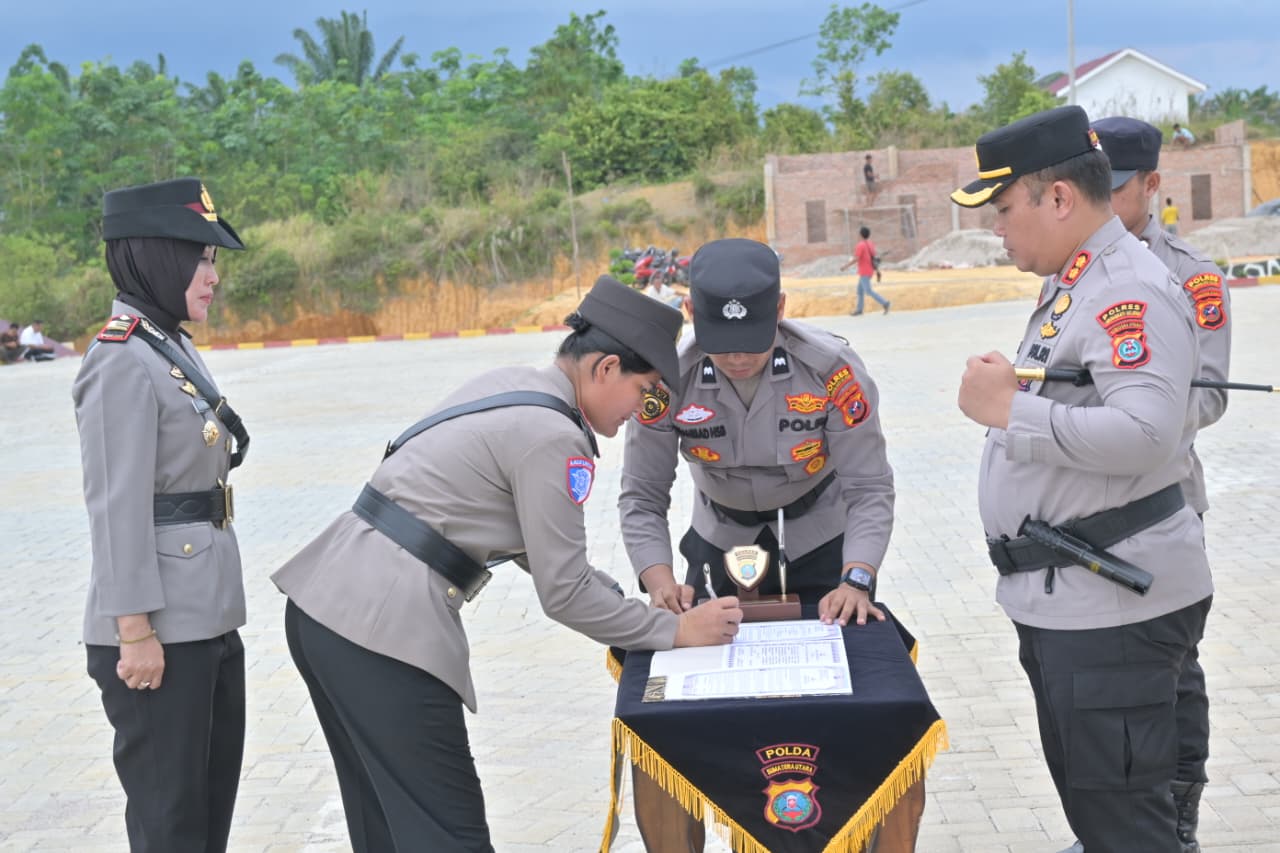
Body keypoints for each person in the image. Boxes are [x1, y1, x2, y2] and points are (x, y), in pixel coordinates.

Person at [271, 274, 743, 852]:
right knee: (451, 836)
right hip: (381, 628)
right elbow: (564, 592)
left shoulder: (514, 386)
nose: (643, 413)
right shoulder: (555, 436)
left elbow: (539, 553)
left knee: (386, 827)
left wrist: (630, 608)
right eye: (645, 392)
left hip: (324, 609)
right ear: (605, 369)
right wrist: (676, 631)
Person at [953, 105, 1212, 853]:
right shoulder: (1080, 280)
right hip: (1078, 601)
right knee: (1106, 823)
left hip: (1112, 613)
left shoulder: (1125, 291)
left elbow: (1147, 433)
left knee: (1126, 829)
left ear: (1059, 197)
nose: (996, 228)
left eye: (1005, 208)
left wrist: (1009, 411)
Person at [620, 237, 906, 851]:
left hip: (823, 548)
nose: (738, 357)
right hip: (715, 550)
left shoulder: (832, 371)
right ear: (691, 314)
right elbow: (641, 495)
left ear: (779, 309)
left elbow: (869, 488)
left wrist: (857, 576)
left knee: (843, 708)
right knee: (689, 716)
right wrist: (658, 579)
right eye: (722, 344)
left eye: (752, 340)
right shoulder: (666, 379)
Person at [73, 178, 250, 852]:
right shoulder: (121, 360)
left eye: (213, 259)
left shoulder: (165, 345)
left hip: (203, 617)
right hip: (156, 633)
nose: (212, 276)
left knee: (204, 821)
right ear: (156, 257)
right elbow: (115, 507)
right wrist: (134, 629)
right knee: (171, 826)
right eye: (200, 258)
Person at [1089, 115, 1231, 853]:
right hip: (1089, 506)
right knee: (1105, 676)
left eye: (1116, 189)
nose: (1104, 203)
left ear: (1150, 184)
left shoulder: (1192, 275)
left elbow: (1210, 395)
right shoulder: (1074, 267)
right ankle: (1116, 827)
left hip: (1166, 499)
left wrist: (1135, 420)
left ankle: (1178, 819)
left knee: (1173, 672)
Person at [841, 226, 891, 315]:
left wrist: (845, 266)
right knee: (860, 291)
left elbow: (856, 258)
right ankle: (859, 310)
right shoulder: (870, 244)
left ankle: (885, 303)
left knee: (868, 291)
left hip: (864, 271)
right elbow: (873, 256)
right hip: (869, 270)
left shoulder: (860, 245)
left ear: (860, 235)